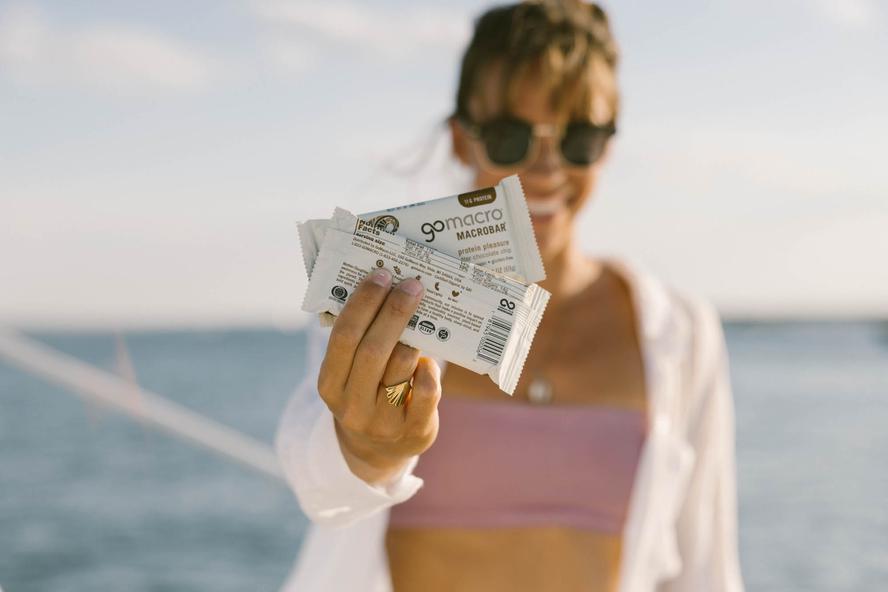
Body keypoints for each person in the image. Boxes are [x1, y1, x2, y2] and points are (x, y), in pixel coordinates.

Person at [276, 2, 744, 591]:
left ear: (609, 144)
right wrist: (369, 450)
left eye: (580, 137)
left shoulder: (680, 330)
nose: (546, 166)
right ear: (460, 139)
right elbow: (317, 478)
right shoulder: (385, 298)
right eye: (509, 135)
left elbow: (707, 569)